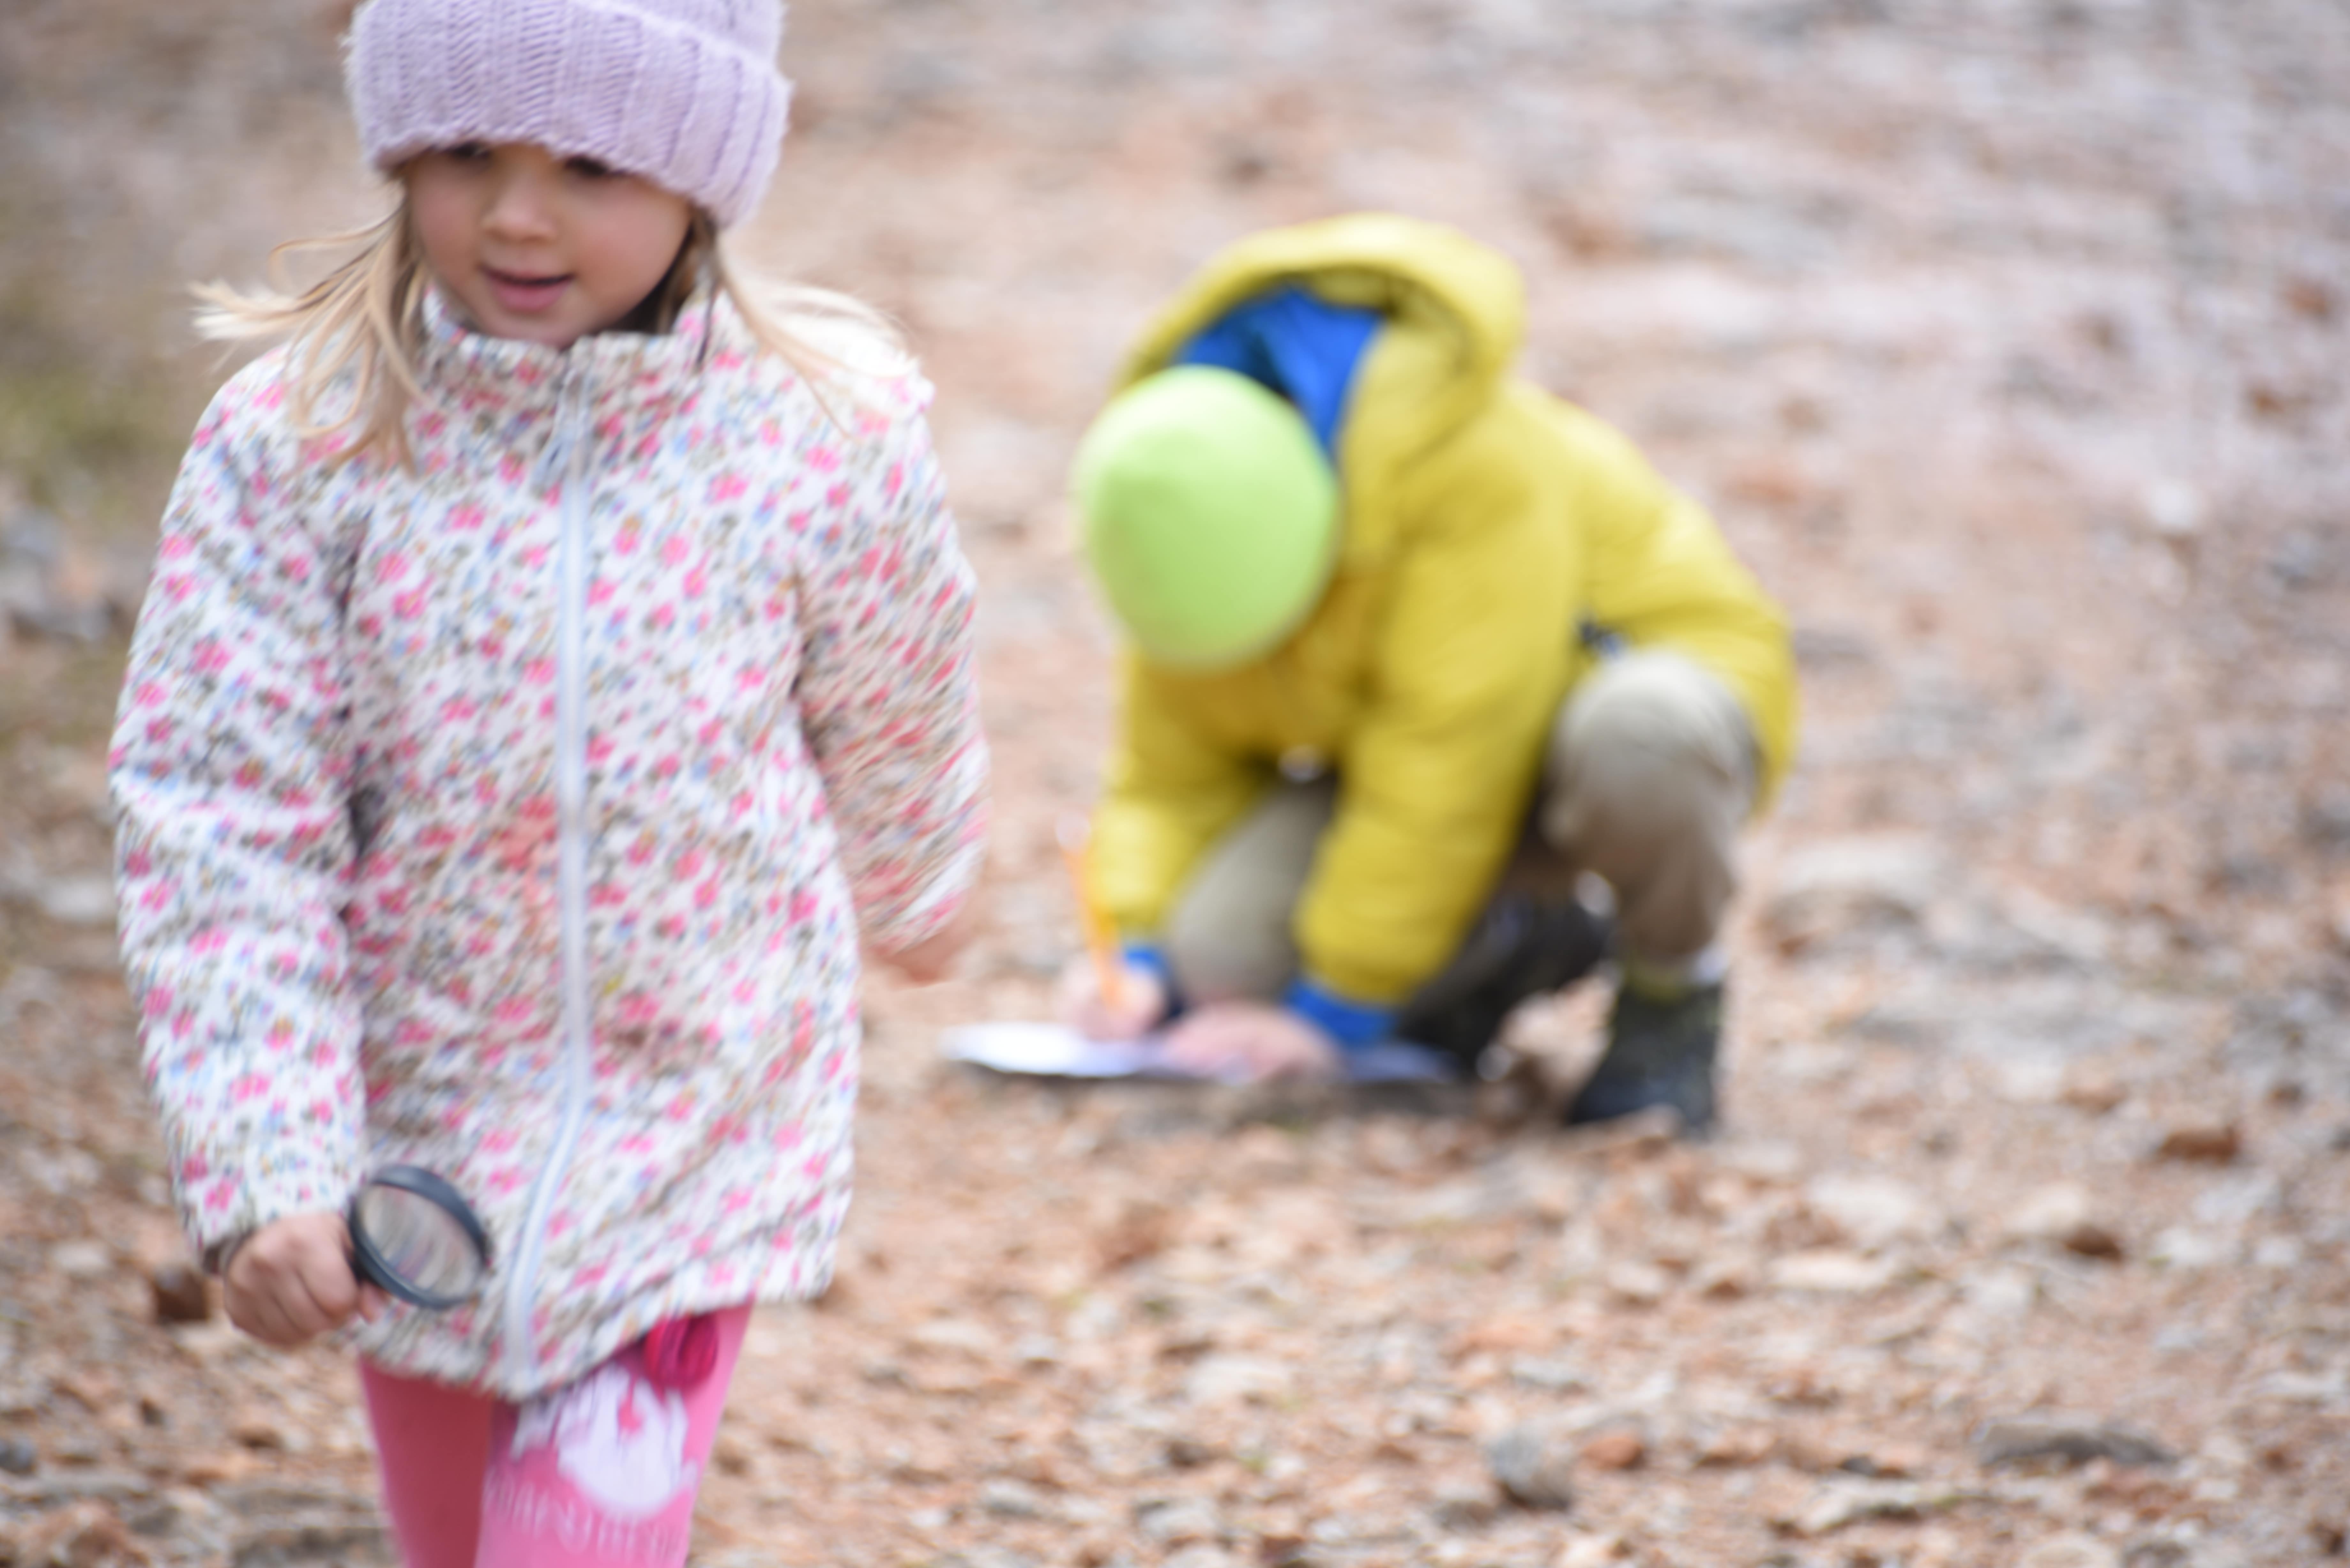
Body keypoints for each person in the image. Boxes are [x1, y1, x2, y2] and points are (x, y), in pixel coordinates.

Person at [107, 2, 988, 1563]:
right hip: (412, 1145)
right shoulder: (304, 444)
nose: (517, 213)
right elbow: (223, 813)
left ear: (699, 173)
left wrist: (917, 880)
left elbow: (896, 683)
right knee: (454, 1541)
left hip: (691, 1120)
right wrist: (266, 1168)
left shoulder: (816, 433)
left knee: (570, 1545)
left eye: (588, 163)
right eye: (464, 153)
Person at [1059, 213, 1796, 1130]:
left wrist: (1333, 1016)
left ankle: (1670, 998)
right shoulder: (1177, 496)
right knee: (1218, 954)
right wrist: (1138, 965)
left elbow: (1447, 768)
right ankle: (1520, 940)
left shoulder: (1466, 474)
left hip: (1621, 711)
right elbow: (1170, 778)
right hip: (1424, 752)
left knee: (1639, 740)